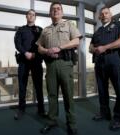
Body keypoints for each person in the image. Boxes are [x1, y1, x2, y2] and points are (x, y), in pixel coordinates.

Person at [36, 2, 82, 135]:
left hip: (65, 63)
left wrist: (60, 48)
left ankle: (71, 124)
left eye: (58, 9)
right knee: (52, 94)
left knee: (68, 95)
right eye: (53, 9)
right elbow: (39, 47)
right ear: (50, 13)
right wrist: (46, 51)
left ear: (62, 12)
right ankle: (52, 121)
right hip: (50, 65)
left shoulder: (69, 25)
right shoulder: (45, 30)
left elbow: (76, 41)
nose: (55, 11)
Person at [89, 7, 120, 131]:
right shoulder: (98, 31)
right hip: (100, 63)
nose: (104, 15)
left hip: (115, 62)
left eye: (106, 13)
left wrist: (105, 47)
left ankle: (118, 119)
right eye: (102, 14)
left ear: (110, 14)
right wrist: (93, 49)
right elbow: (90, 46)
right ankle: (104, 113)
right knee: (102, 90)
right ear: (99, 17)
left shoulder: (119, 24)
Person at [14, 9, 46, 120]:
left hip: (36, 61)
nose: (31, 16)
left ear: (35, 17)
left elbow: (43, 45)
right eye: (29, 14)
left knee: (38, 86)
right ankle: (21, 110)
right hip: (23, 61)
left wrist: (34, 54)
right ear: (26, 16)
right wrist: (25, 52)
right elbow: (17, 44)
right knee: (22, 86)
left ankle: (41, 110)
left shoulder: (40, 30)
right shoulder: (21, 30)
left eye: (33, 15)